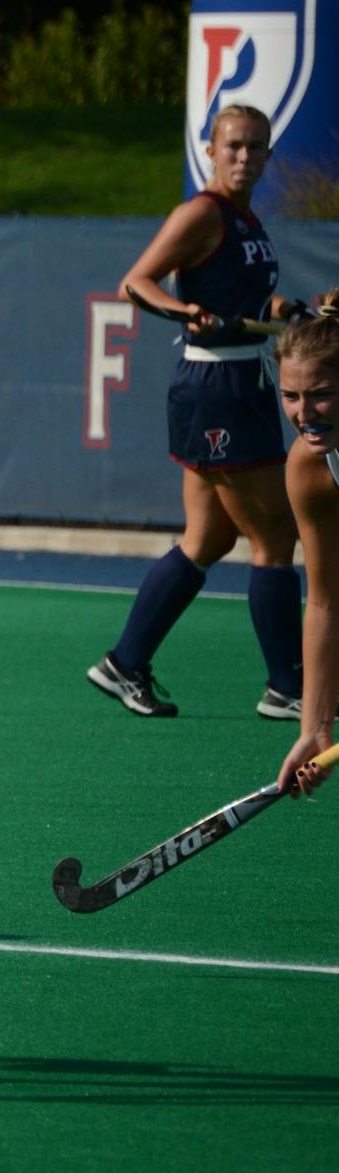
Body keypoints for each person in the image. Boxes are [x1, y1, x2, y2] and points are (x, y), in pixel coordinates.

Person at [89, 103, 312, 721]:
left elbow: (241, 292)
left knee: (209, 537)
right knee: (274, 537)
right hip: (216, 388)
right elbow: (136, 282)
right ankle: (288, 689)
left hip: (239, 379)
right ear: (210, 150)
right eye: (234, 146)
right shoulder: (201, 212)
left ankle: (124, 663)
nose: (245, 157)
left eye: (257, 147)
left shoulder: (243, 219)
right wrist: (186, 312)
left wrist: (282, 307)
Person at [274, 292, 339, 797]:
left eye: (319, 394)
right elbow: (324, 598)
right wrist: (315, 726)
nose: (304, 413)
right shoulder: (309, 465)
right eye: (290, 395)